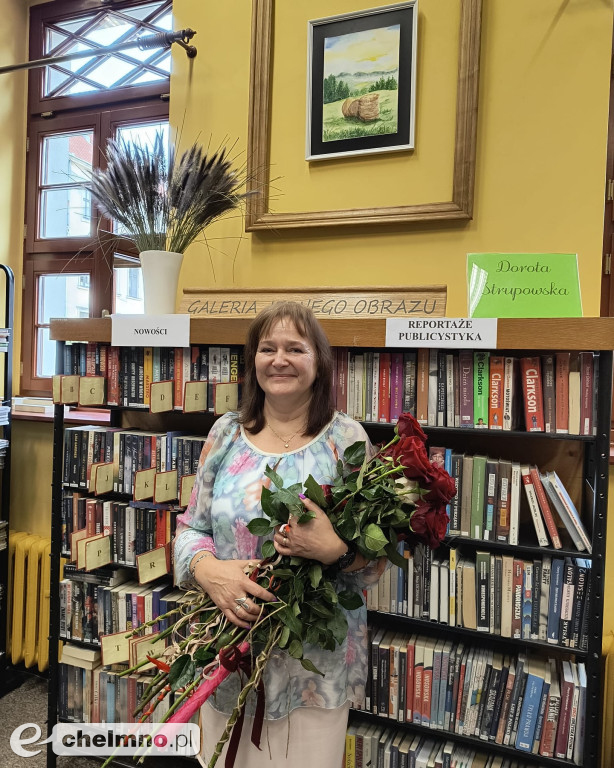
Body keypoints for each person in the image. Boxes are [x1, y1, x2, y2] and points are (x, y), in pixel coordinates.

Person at [174, 301, 384, 768]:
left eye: (295, 348)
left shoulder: (347, 440)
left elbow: (376, 563)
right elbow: (190, 529)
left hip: (318, 665)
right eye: (267, 348)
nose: (279, 359)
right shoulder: (225, 434)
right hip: (230, 649)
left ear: (319, 360)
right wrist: (210, 572)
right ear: (253, 360)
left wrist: (336, 550)